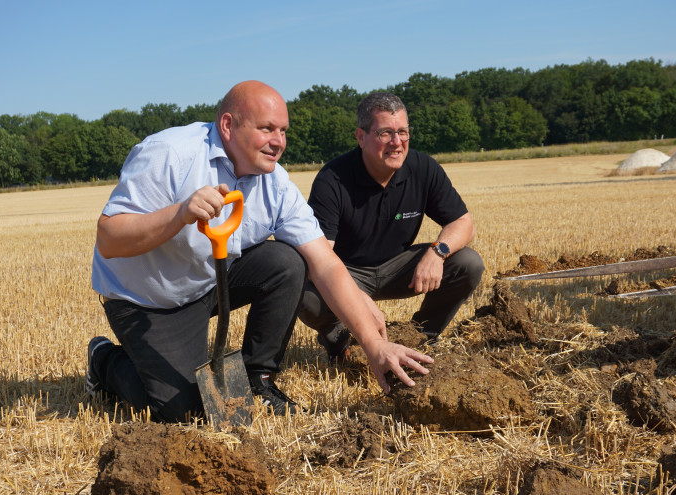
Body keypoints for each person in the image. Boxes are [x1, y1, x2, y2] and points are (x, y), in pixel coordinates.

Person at [86, 81, 432, 422]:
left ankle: (258, 379)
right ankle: (105, 361)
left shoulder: (276, 183)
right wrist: (180, 214)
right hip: (148, 301)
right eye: (267, 128)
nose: (278, 141)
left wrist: (374, 346)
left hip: (209, 280)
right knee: (187, 411)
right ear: (228, 125)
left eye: (283, 130)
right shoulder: (170, 154)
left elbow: (325, 264)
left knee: (287, 261)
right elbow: (109, 239)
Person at [299, 92, 484, 362]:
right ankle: (340, 339)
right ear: (361, 137)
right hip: (345, 270)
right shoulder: (332, 179)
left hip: (398, 267)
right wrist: (355, 297)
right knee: (302, 288)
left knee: (468, 262)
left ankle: (421, 335)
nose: (397, 143)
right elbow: (320, 259)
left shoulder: (423, 168)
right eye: (385, 133)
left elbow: (464, 223)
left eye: (403, 132)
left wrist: (437, 252)